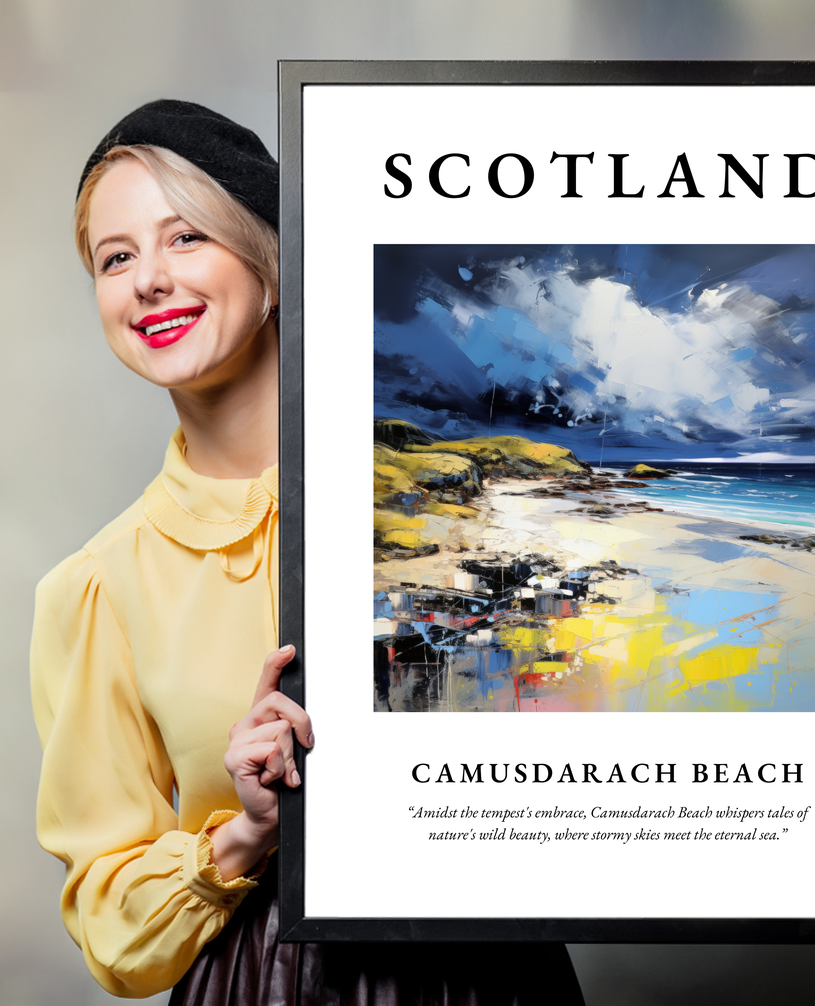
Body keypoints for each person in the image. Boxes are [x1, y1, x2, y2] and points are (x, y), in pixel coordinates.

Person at [30, 100, 585, 1004]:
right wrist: (245, 832)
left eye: (186, 239)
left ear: (273, 264)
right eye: (116, 257)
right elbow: (110, 924)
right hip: (263, 981)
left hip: (493, 973)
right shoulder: (97, 587)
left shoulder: (454, 507)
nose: (148, 281)